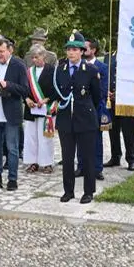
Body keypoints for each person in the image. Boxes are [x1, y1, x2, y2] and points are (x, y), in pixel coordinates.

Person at [52, 30, 102, 204]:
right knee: (67, 157)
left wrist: (87, 110)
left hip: (85, 119)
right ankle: (68, 190)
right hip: (66, 119)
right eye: (69, 49)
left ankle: (88, 191)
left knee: (87, 157)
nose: (71, 52)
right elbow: (57, 92)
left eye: (75, 49)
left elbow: (96, 96)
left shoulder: (90, 70)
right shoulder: (60, 69)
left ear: (82, 52)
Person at [0, 36, 29, 190]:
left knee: (12, 148)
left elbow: (25, 90)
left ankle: (12, 179)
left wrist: (7, 85)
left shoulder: (18, 65)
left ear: (9, 50)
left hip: (10, 113)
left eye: (1, 51)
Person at [76, 38, 109, 181]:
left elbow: (102, 89)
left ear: (93, 50)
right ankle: (81, 166)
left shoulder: (101, 67)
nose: (83, 50)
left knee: (96, 139)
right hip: (79, 107)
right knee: (79, 137)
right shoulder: (78, 65)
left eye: (86, 48)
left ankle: (97, 168)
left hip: (95, 107)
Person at [23, 44, 55, 174]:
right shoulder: (29, 72)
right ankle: (33, 162)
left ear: (44, 56)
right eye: (33, 58)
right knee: (31, 137)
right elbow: (23, 88)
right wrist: (27, 99)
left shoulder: (52, 70)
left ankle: (47, 163)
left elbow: (56, 90)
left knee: (45, 137)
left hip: (46, 108)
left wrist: (46, 100)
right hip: (31, 109)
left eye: (37, 57)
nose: (34, 60)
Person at [103, 50, 134, 171]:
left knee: (128, 131)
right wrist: (106, 90)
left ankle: (131, 158)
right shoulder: (109, 56)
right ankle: (115, 156)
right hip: (111, 100)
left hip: (127, 99)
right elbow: (105, 75)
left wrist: (119, 92)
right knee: (113, 130)